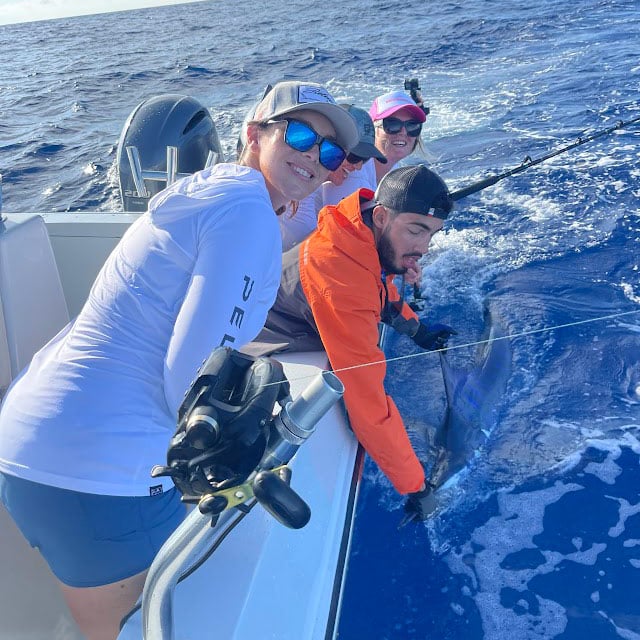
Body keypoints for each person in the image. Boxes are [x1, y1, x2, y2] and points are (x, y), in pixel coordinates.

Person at [0, 80, 358, 640]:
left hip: (31, 449)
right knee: (129, 625)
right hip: (100, 477)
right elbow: (192, 382)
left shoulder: (206, 190)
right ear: (253, 134)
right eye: (300, 133)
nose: (315, 156)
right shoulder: (249, 218)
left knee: (95, 621)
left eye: (330, 151)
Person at [245, 164, 456, 522]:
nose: (423, 247)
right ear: (382, 216)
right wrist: (416, 486)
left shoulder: (353, 233)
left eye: (432, 235)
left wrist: (418, 330)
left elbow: (378, 288)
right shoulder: (340, 280)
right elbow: (366, 405)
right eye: (416, 230)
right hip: (261, 348)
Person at [279, 104, 387, 251]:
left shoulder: (311, 192)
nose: (359, 167)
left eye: (365, 159)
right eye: (355, 157)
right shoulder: (286, 187)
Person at [369, 89, 428, 183]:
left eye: (412, 125)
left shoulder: (397, 179)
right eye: (393, 124)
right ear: (372, 128)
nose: (403, 132)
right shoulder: (350, 172)